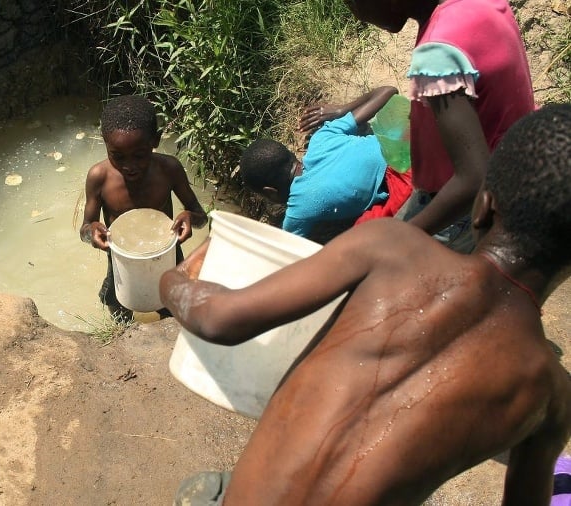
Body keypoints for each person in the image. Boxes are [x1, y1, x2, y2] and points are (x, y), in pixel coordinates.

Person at [161, 104, 571, 504]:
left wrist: (171, 278)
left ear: (484, 203)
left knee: (217, 489)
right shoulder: (552, 397)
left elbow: (216, 319)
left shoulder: (391, 246)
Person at [342, 0, 536, 253]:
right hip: (514, 173)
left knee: (392, 271)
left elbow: (473, 178)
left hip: (465, 208)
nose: (358, 17)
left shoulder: (438, 52)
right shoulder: (478, 5)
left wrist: (402, 238)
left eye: (353, 4)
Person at [80, 95, 208, 321]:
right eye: (117, 156)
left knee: (173, 311)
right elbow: (85, 229)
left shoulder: (169, 169)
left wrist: (189, 216)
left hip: (166, 255)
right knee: (119, 306)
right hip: (121, 260)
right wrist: (93, 232)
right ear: (105, 144)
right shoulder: (99, 177)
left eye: (139, 155)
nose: (129, 166)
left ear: (155, 140)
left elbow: (200, 216)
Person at [239, 86, 412, 239]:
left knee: (363, 235)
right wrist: (341, 110)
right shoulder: (322, 137)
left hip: (405, 175)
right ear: (291, 154)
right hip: (407, 142)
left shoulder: (298, 208)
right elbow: (388, 91)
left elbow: (286, 250)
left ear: (270, 193)